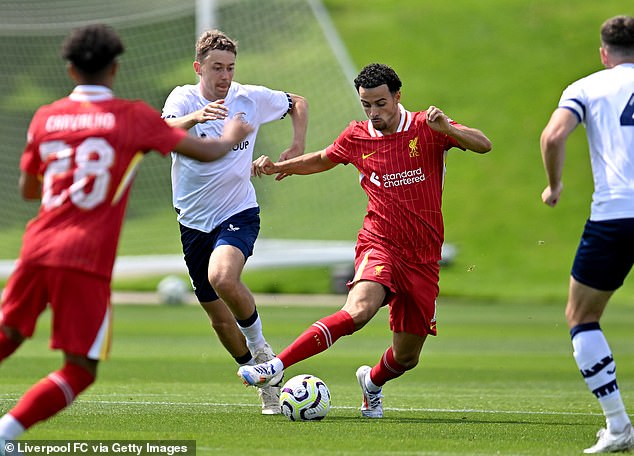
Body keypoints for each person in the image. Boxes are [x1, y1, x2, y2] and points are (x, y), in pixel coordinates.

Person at [0, 23, 251, 442]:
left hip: (37, 244)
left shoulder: (45, 117)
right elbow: (205, 153)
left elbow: (29, 190)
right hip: (84, 255)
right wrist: (231, 137)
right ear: (115, 69)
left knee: (7, 335)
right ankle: (6, 433)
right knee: (80, 368)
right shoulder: (131, 117)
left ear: (70, 70)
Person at [239, 62, 492, 418]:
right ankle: (276, 366)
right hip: (380, 243)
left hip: (422, 257)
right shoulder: (357, 136)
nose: (373, 113)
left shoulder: (427, 127)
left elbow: (484, 144)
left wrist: (448, 127)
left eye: (380, 104)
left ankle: (372, 384)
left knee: (406, 357)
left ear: (397, 97)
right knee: (357, 311)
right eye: (366, 105)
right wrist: (280, 168)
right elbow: (324, 159)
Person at [161, 30, 308, 415]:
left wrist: (296, 145)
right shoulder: (183, 98)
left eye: (230, 67)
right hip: (192, 221)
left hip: (238, 210)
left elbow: (297, 102)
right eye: (216, 68)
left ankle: (263, 350)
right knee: (219, 319)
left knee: (223, 277)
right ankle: (260, 376)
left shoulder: (249, 97)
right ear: (199, 68)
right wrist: (195, 116)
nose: (225, 76)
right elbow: (161, 135)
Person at [540, 15, 634, 454]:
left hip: (614, 215)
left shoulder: (586, 87)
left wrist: (555, 186)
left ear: (604, 53)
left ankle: (618, 426)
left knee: (582, 317)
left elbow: (553, 135)